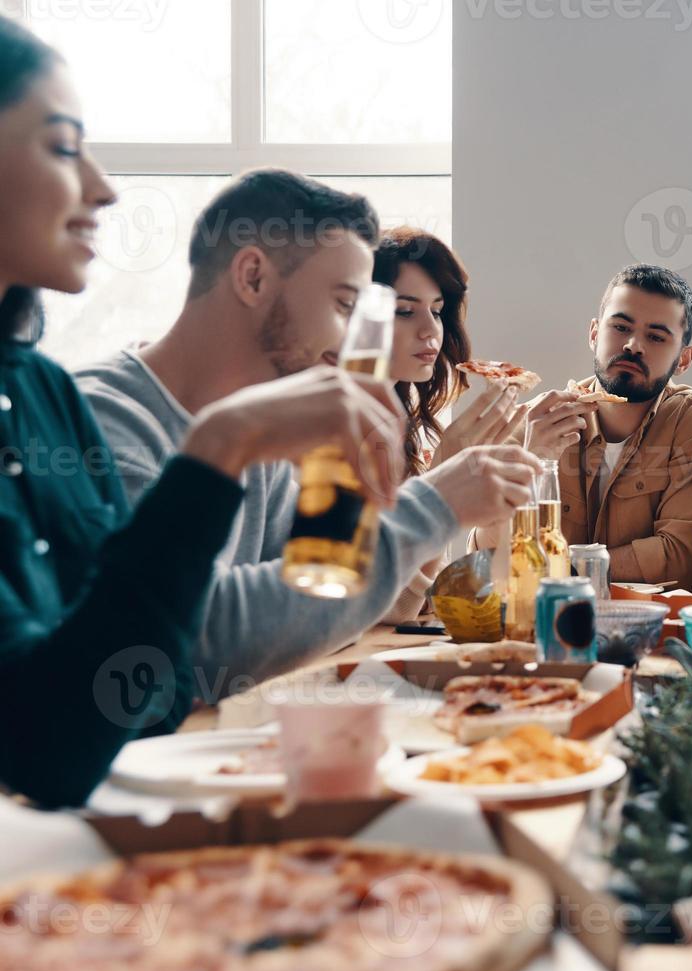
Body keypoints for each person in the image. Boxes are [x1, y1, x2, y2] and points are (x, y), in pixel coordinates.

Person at [0, 17, 429, 806]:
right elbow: (57, 734)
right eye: (63, 148)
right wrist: (223, 448)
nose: (104, 187)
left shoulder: (41, 394)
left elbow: (145, 685)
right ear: (254, 275)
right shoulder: (105, 408)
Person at [77, 171, 539, 698]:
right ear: (252, 277)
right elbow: (189, 637)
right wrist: (433, 505)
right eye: (346, 306)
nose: (354, 343)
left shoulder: (273, 433)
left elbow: (316, 609)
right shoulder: (101, 419)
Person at [516, 264, 692, 590]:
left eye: (656, 336)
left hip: (653, 628)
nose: (633, 345)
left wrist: (557, 570)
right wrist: (529, 466)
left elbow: (688, 556)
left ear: (684, 359)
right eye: (620, 327)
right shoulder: (540, 421)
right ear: (593, 333)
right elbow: (491, 557)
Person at [373, 226, 526, 622]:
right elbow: (384, 610)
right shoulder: (325, 430)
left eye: (437, 311)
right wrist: (439, 485)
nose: (430, 330)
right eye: (405, 311)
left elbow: (424, 599)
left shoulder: (403, 428)